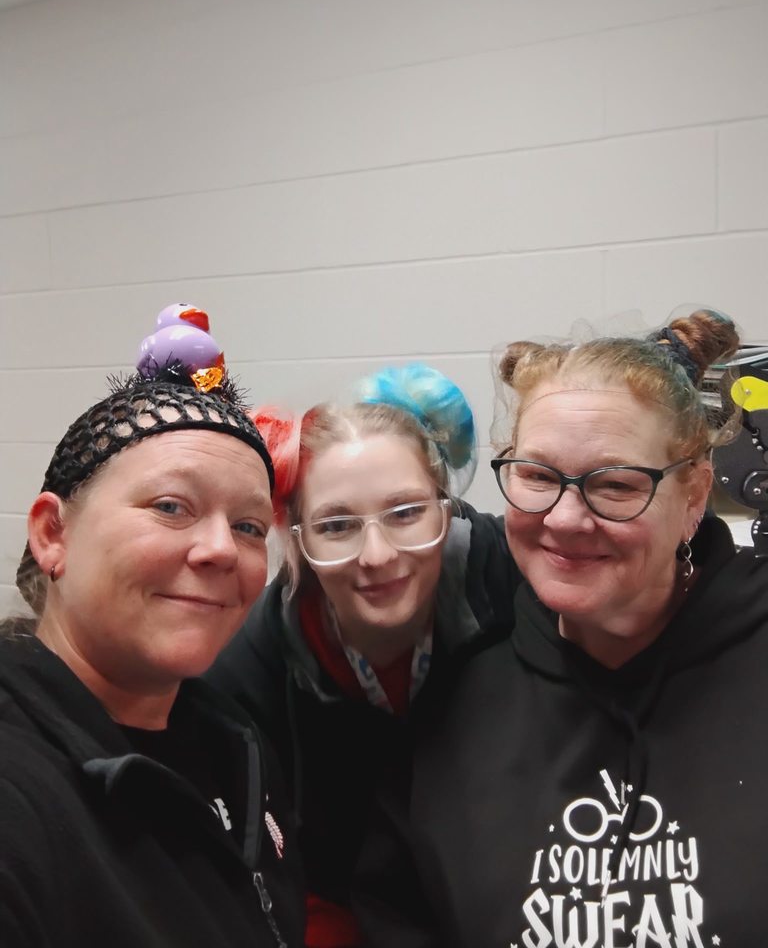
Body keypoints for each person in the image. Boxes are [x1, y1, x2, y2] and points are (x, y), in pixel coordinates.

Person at [355, 309, 768, 947]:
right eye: (539, 477)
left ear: (692, 498)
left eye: (616, 485)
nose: (567, 518)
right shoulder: (447, 712)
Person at [0, 304, 304, 948]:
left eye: (249, 526)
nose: (221, 549)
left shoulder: (237, 744)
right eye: (171, 507)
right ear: (53, 533)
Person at [207, 364, 521, 947]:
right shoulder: (253, 669)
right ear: (296, 539)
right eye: (337, 525)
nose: (377, 555)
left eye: (406, 513)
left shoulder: (518, 585)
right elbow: (274, 870)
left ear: (443, 506)